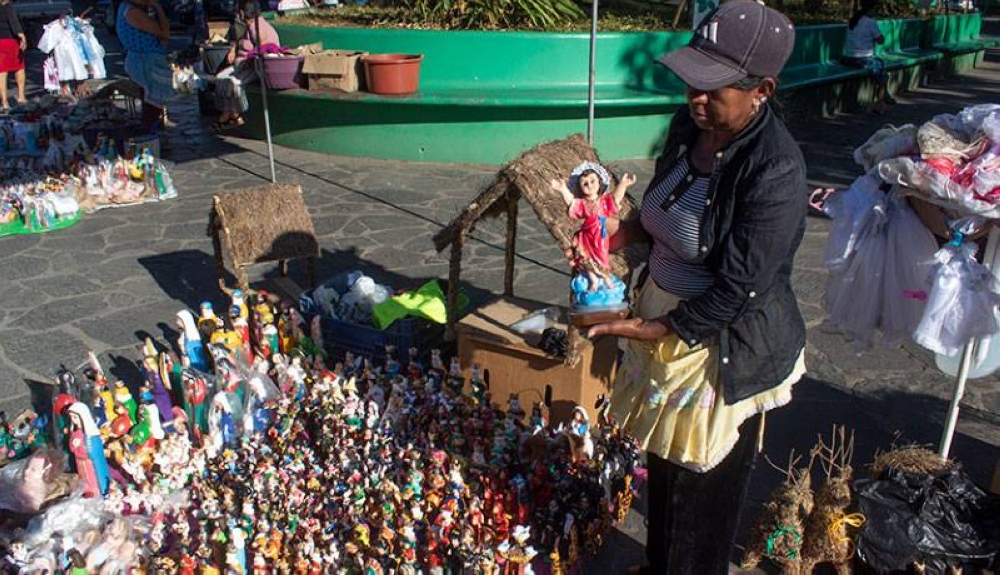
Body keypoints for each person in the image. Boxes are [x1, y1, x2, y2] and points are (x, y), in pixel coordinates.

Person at [587, 1, 808, 573]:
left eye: (713, 88)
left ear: (761, 90)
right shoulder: (690, 128)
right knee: (664, 467)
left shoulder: (775, 169)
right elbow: (666, 214)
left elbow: (740, 288)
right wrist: (614, 236)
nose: (696, 98)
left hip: (719, 344)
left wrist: (655, 327)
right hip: (664, 321)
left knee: (701, 494)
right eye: (691, 82)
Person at [550, 162, 636, 291]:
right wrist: (563, 189)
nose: (589, 185)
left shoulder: (604, 201)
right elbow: (572, 203)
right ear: (580, 187)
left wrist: (623, 185)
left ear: (600, 182)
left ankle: (607, 279)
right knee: (586, 258)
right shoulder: (582, 203)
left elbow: (616, 199)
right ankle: (593, 280)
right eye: (585, 183)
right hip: (586, 237)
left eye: (592, 181)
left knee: (601, 257)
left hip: (600, 236)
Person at [212, 0, 280, 131]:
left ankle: (235, 115)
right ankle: (230, 115)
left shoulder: (258, 28)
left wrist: (244, 64)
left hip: (255, 68)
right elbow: (241, 40)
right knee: (220, 78)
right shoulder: (249, 27)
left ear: (242, 13)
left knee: (233, 83)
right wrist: (234, 49)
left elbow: (262, 52)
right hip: (241, 65)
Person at [117, 0, 172, 132]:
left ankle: (151, 129)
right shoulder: (132, 12)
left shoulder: (135, 9)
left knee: (152, 99)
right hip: (145, 61)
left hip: (146, 59)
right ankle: (148, 132)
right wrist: (157, 6)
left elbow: (163, 36)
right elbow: (164, 32)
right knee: (153, 100)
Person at [841, 0, 895, 114]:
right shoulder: (870, 22)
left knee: (879, 64)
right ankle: (880, 104)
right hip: (861, 60)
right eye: (875, 9)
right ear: (871, 9)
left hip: (847, 58)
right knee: (882, 74)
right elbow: (881, 40)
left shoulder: (853, 20)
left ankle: (885, 96)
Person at [0, 0, 26, 112]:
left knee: (2, 71)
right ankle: (21, 97)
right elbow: (13, 22)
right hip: (11, 41)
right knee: (19, 68)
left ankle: (4, 102)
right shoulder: (8, 6)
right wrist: (22, 36)